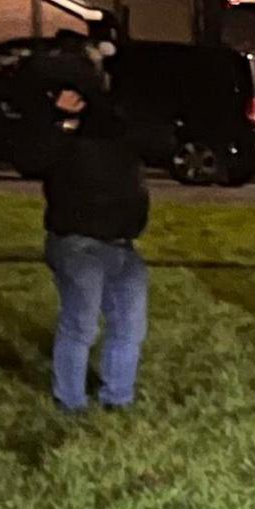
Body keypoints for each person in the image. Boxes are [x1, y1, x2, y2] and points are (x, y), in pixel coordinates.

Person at [25, 59, 153, 412]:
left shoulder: (115, 126)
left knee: (130, 326)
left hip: (122, 244)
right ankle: (71, 403)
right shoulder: (60, 130)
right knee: (80, 326)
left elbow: (146, 142)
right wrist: (60, 119)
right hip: (77, 242)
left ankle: (118, 399)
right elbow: (32, 157)